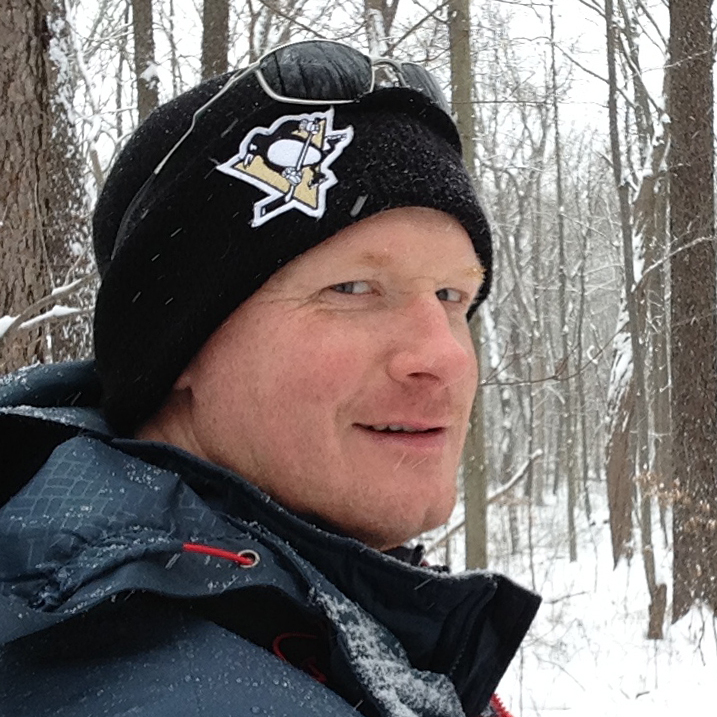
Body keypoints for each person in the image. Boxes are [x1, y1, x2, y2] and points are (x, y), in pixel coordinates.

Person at [0, 40, 539, 717]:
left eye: (451, 297)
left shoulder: (299, 632)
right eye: (353, 288)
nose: (445, 356)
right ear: (181, 345)